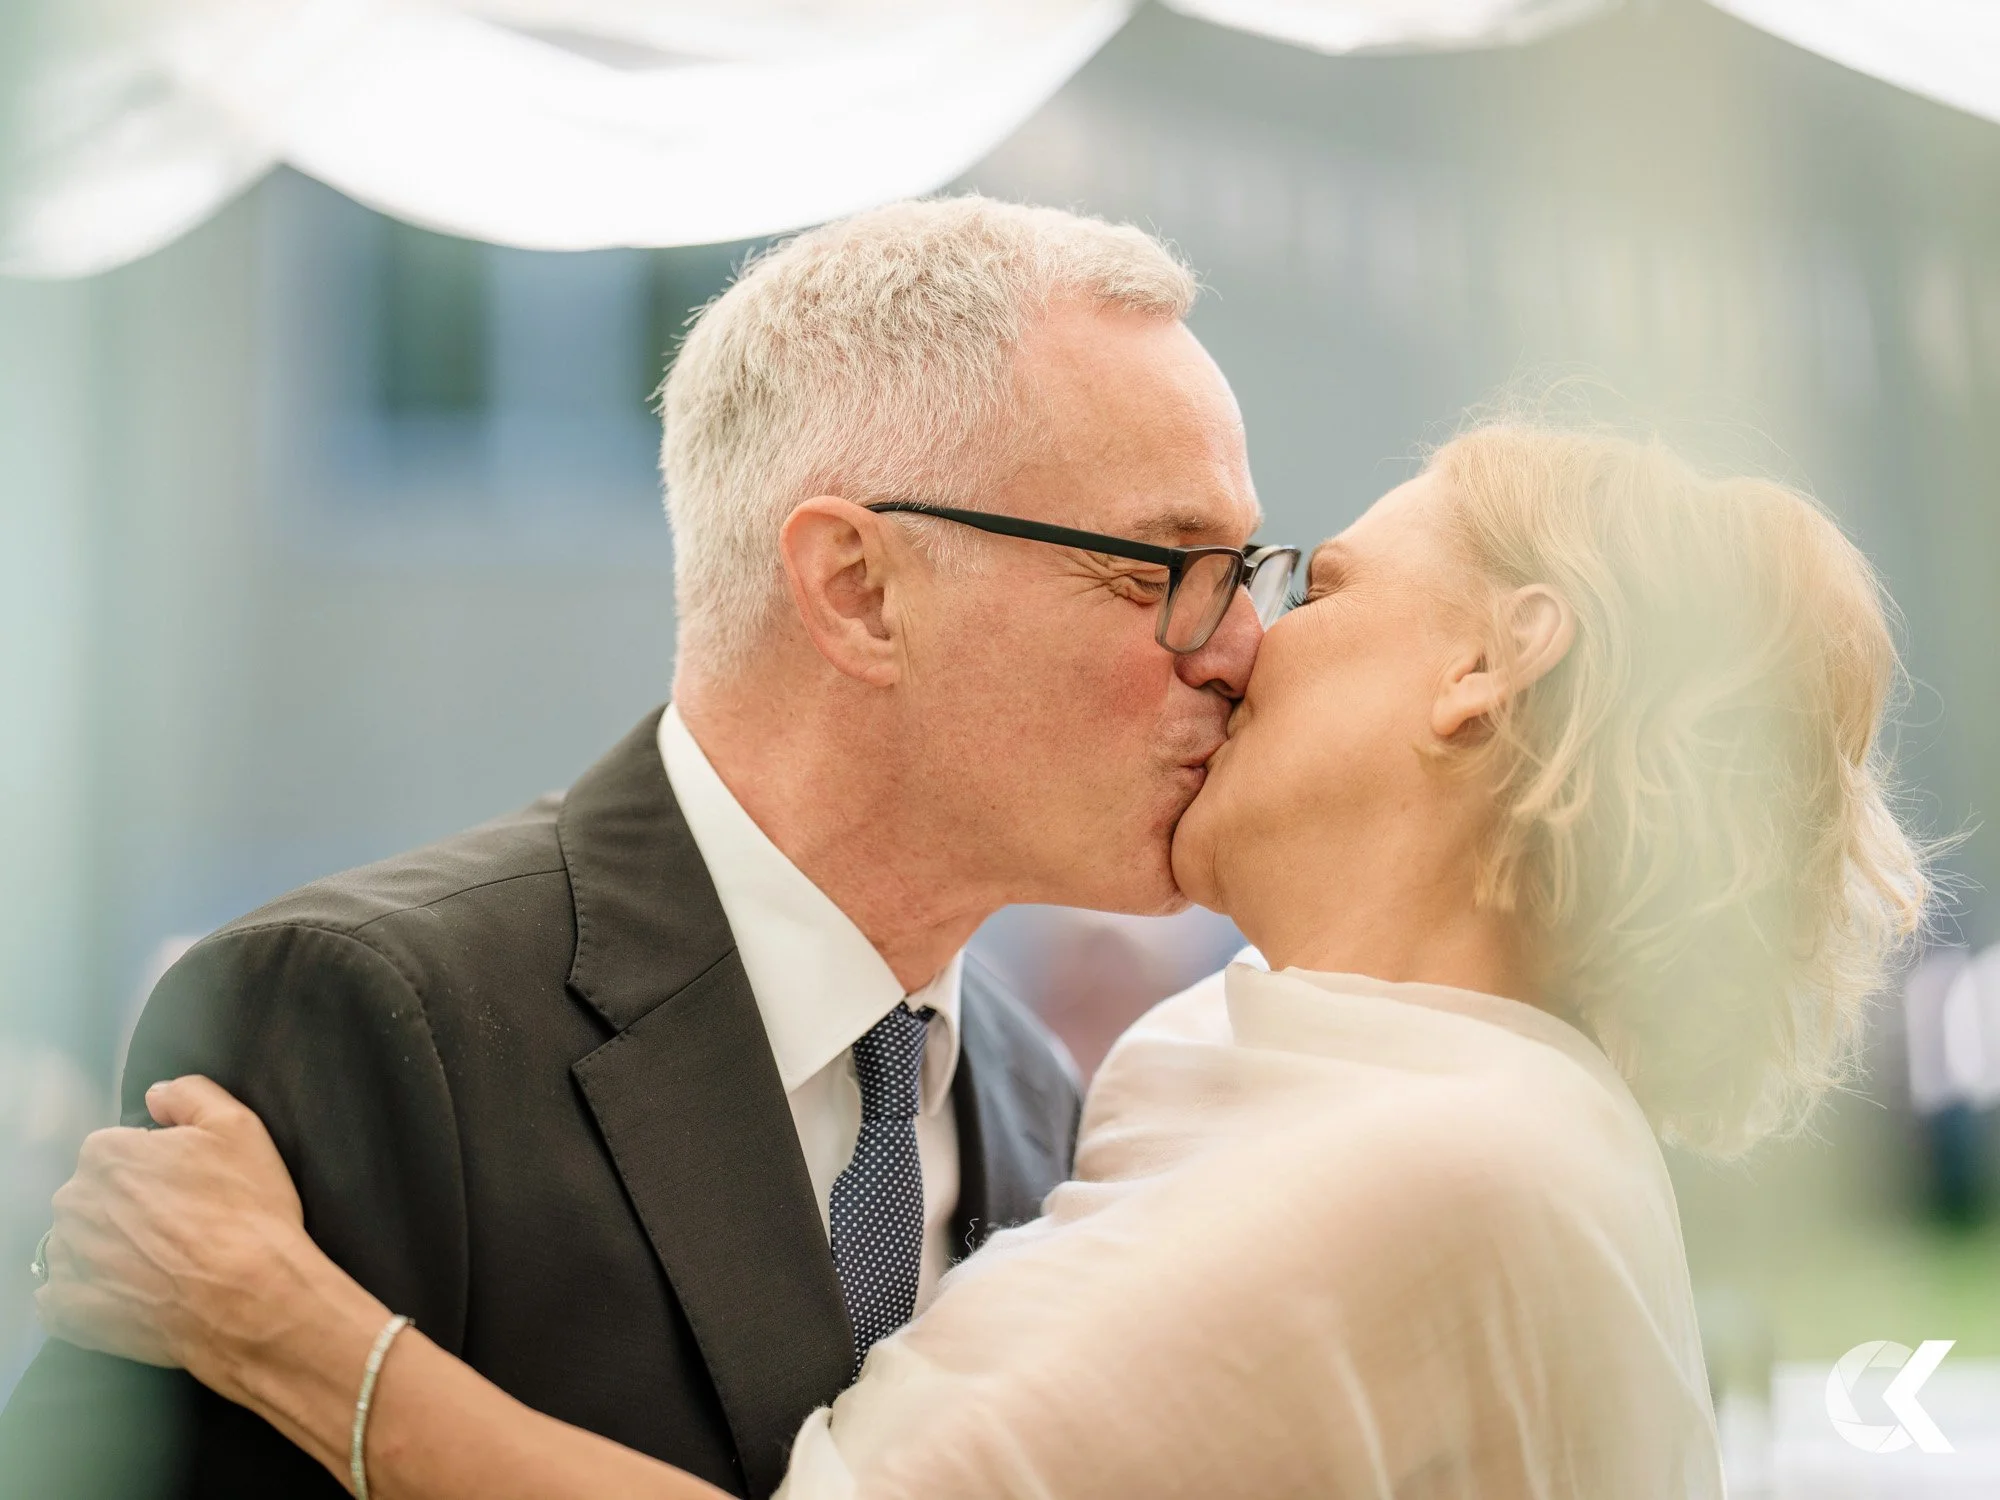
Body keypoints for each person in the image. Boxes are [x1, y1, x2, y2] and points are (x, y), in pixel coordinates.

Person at [34, 423, 1927, 1498]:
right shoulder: (1403, 1108)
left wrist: (286, 1327)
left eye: (1317, 584)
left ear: (1489, 668)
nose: (1235, 645)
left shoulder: (1440, 1158)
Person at [0, 196, 1291, 1498]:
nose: (1239, 651)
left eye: (1244, 572)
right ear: (859, 589)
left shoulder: (1034, 1096)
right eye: (1162, 570)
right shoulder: (363, 1017)